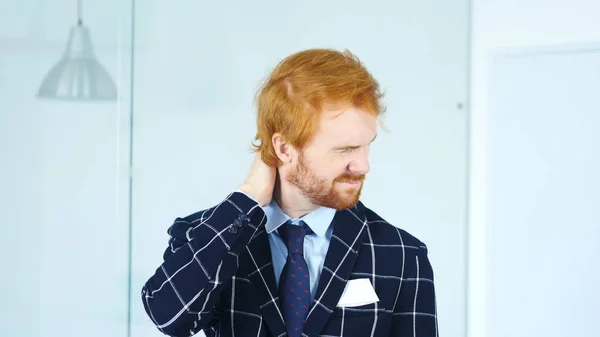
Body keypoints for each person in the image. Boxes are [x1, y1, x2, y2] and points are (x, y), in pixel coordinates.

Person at [141, 48, 438, 337]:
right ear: (284, 148)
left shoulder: (403, 254)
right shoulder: (210, 234)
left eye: (366, 145)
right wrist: (248, 197)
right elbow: (171, 319)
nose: (363, 165)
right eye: (345, 149)